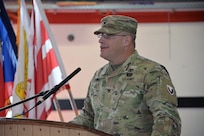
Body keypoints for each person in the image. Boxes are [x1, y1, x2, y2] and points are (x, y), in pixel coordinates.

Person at [69, 15, 181, 136]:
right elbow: (88, 117)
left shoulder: (151, 72)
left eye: (108, 35)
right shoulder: (99, 76)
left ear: (126, 40)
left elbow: (166, 119)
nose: (100, 40)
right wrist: (61, 130)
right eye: (100, 35)